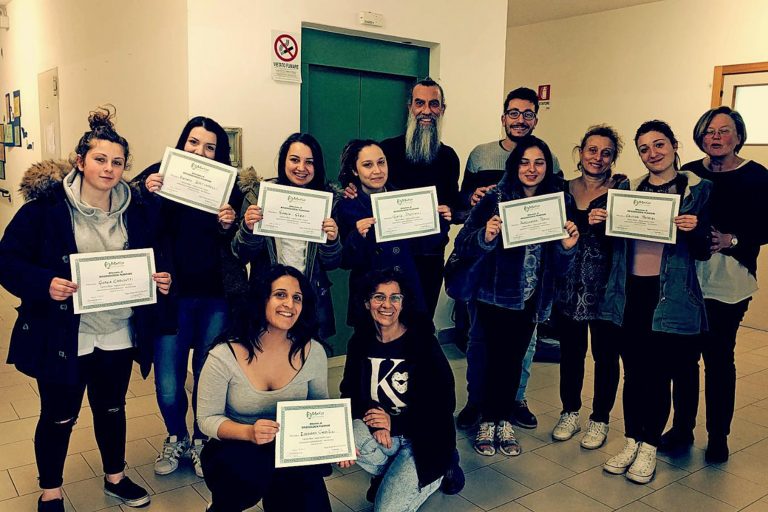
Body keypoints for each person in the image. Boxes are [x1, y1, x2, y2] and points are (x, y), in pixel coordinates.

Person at [0, 108, 172, 511]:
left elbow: (155, 257)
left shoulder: (137, 211)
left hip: (117, 330)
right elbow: (7, 261)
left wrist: (159, 280)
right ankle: (51, 491)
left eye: (117, 162)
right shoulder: (45, 209)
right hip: (65, 333)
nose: (109, 169)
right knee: (59, 414)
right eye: (100, 159)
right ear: (80, 161)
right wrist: (44, 283)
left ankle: (115, 477)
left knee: (112, 407)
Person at [596, 120, 711, 484]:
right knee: (633, 373)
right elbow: (614, 243)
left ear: (674, 145)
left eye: (659, 144)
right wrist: (601, 221)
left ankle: (649, 446)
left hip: (669, 296)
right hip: (630, 292)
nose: (652, 153)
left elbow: (704, 250)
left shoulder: (697, 190)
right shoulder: (627, 190)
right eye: (644, 148)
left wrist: (695, 229)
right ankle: (631, 440)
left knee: (659, 374)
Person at [454, 135, 579, 457]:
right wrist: (485, 235)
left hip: (531, 297)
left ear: (548, 167)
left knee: (513, 361)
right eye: (524, 162)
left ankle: (503, 419)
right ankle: (487, 420)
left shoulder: (558, 203)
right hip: (493, 295)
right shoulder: (494, 198)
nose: (531, 169)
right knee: (489, 359)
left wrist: (568, 248)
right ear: (514, 165)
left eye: (539, 163)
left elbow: (560, 265)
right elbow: (463, 243)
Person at [134, 116, 245, 478]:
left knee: (206, 375)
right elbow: (139, 228)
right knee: (168, 383)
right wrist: (148, 193)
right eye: (193, 142)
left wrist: (229, 224)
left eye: (210, 147)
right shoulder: (158, 176)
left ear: (219, 153)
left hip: (216, 297)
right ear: (182, 143)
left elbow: (239, 246)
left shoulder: (229, 187)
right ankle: (175, 436)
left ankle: (200, 439)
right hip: (172, 298)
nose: (200, 151)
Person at [660, 107, 768, 462]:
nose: (716, 136)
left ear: (739, 136)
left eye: (724, 130)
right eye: (709, 131)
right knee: (683, 360)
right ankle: (682, 429)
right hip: (688, 278)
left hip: (729, 281)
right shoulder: (688, 173)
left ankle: (718, 435)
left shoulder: (757, 176)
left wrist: (732, 240)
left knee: (719, 358)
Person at [197, 264, 332, 512]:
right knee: (248, 474)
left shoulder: (313, 352)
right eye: (280, 294)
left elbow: (320, 408)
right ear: (261, 299)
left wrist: (337, 444)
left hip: (290, 448)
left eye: (297, 298)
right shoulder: (224, 354)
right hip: (236, 446)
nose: (290, 304)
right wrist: (249, 432)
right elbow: (206, 419)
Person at [338, 269, 457, 511]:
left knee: (384, 510)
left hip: (424, 439)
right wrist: (370, 423)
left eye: (395, 297)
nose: (387, 304)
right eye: (378, 297)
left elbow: (444, 404)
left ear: (403, 303)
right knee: (349, 433)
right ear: (367, 303)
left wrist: (394, 423)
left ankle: (445, 468)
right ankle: (393, 475)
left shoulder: (423, 342)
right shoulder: (359, 342)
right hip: (386, 436)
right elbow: (349, 394)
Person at [551, 125, 624, 449]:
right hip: (568, 285)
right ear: (580, 153)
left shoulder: (621, 191)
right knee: (571, 353)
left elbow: (627, 237)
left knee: (606, 356)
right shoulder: (561, 189)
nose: (598, 158)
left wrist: (608, 223)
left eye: (606, 153)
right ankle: (570, 411)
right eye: (592, 150)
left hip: (606, 287)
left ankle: (600, 419)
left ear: (613, 158)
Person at [232, 133, 341, 342]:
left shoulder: (327, 202)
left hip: (310, 297)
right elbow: (241, 254)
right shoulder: (258, 196)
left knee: (308, 357)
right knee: (267, 355)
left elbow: (332, 263)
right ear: (283, 162)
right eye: (294, 160)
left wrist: (332, 240)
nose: (301, 168)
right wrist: (248, 228)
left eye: (309, 162)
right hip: (268, 295)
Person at [336, 139, 450, 325]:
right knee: (368, 340)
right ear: (355, 170)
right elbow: (345, 261)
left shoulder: (404, 198)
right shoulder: (347, 205)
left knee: (413, 339)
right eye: (367, 165)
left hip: (405, 291)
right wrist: (357, 237)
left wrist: (441, 221)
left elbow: (424, 246)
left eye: (381, 162)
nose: (377, 170)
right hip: (369, 295)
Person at [377, 77, 461, 320]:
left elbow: (454, 203)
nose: (426, 111)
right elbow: (367, 187)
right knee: (387, 323)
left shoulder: (448, 157)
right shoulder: (388, 151)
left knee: (422, 324)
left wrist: (452, 211)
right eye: (420, 103)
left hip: (429, 258)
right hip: (390, 256)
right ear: (410, 107)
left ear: (442, 109)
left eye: (434, 104)